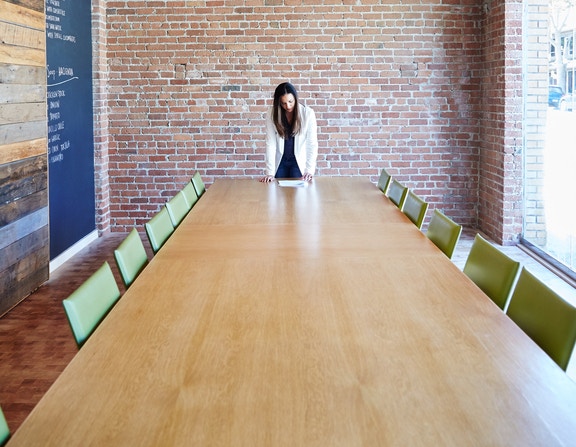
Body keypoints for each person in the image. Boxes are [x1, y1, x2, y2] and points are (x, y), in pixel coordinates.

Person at [259, 82, 318, 182]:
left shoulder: (308, 113)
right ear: (278, 102)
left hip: (297, 162)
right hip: (280, 161)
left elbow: (312, 144)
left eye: (291, 101)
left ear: (295, 98)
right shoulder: (272, 113)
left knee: (299, 194)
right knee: (276, 192)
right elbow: (270, 143)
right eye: (283, 103)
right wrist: (269, 172)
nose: (288, 106)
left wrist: (309, 170)